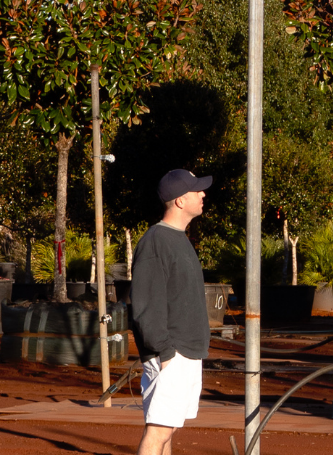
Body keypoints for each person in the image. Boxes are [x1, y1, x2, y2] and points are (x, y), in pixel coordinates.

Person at [130, 168, 213, 455]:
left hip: (186, 351)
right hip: (172, 353)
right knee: (158, 432)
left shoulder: (178, 239)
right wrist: (163, 353)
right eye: (196, 190)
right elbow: (145, 305)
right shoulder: (156, 241)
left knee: (168, 430)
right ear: (179, 200)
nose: (203, 194)